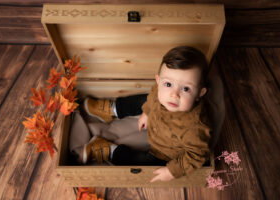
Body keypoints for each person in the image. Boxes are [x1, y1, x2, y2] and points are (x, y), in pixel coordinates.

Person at [82, 46, 212, 182]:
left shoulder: (195, 128)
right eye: (168, 84)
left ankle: (111, 151)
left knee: (143, 165)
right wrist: (147, 113)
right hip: (156, 122)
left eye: (186, 88)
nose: (174, 94)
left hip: (165, 152)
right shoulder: (161, 92)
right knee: (146, 98)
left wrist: (173, 171)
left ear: (200, 93)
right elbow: (152, 99)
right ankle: (114, 109)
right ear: (158, 80)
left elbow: (198, 155)